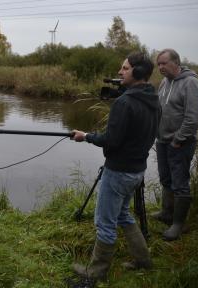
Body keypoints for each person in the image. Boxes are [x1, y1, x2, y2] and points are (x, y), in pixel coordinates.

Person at [71, 52, 160, 281]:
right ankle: (143, 260)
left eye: (125, 68)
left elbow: (111, 141)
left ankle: (96, 273)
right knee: (123, 215)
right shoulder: (153, 99)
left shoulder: (125, 103)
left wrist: (86, 136)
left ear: (138, 72)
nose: (120, 72)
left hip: (119, 171)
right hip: (137, 170)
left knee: (104, 223)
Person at [152, 49, 198, 241]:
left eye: (164, 63)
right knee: (166, 179)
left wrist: (178, 139)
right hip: (163, 140)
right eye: (158, 64)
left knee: (180, 183)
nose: (160, 67)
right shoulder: (165, 82)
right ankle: (167, 213)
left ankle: (178, 224)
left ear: (176, 62)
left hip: (181, 143)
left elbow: (193, 118)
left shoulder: (191, 83)